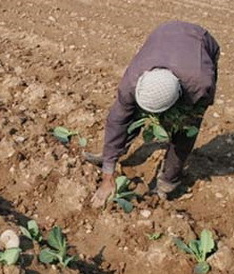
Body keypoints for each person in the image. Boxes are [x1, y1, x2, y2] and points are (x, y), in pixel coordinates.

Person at [88, 21, 220, 208]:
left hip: (200, 42)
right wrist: (108, 175)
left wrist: (179, 118)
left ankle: (168, 181)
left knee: (184, 130)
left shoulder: (200, 85)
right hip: (164, 34)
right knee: (129, 115)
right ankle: (112, 154)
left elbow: (197, 113)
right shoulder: (131, 83)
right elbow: (117, 121)